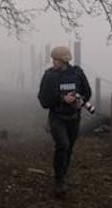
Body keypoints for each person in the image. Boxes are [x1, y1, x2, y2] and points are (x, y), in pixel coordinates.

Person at [37, 46, 92, 198]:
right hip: (57, 118)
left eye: (56, 60)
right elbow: (43, 100)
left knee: (69, 149)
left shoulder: (77, 73)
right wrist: (61, 98)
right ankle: (59, 181)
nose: (53, 62)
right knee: (63, 145)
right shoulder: (49, 76)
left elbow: (87, 92)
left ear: (64, 61)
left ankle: (63, 175)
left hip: (74, 118)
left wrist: (78, 99)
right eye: (53, 59)